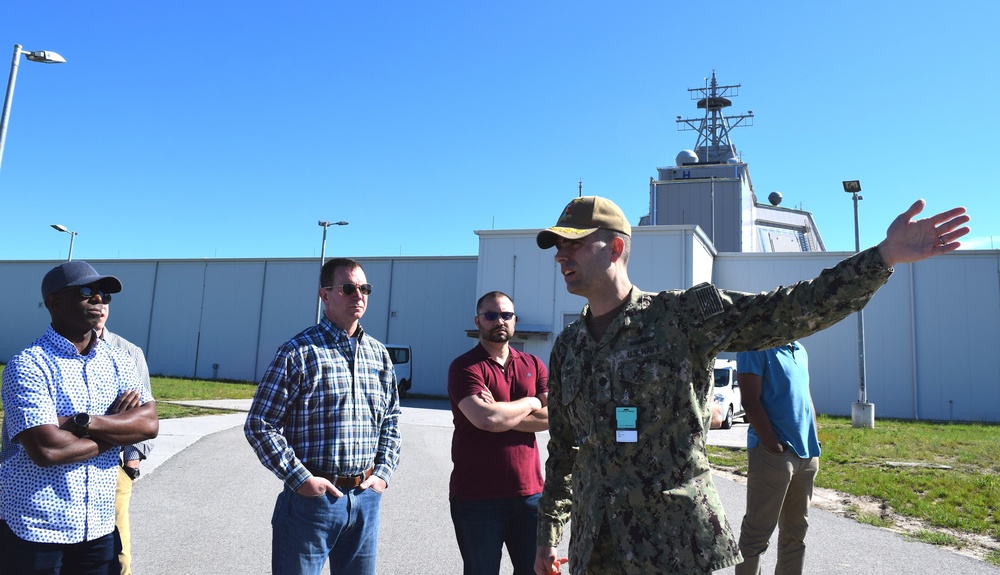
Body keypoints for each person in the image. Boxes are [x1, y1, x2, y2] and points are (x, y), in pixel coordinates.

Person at [531, 196, 970, 575]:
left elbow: (789, 309)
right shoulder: (570, 346)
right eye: (558, 247)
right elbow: (565, 450)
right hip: (595, 547)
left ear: (616, 248)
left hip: (672, 547)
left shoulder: (679, 318)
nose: (561, 256)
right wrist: (548, 537)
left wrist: (882, 258)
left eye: (574, 244)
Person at [245, 257, 402, 575]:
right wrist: (300, 479)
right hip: (311, 503)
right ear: (324, 295)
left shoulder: (378, 354)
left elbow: (391, 419)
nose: (358, 295)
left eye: (364, 288)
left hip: (365, 499)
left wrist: (382, 474)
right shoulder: (298, 352)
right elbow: (260, 423)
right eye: (348, 288)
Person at [0, 260, 159, 574]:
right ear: (54, 301)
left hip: (98, 526)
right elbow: (47, 450)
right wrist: (116, 431)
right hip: (35, 526)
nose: (99, 300)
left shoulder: (119, 360)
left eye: (104, 294)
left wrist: (82, 422)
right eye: (87, 291)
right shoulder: (29, 365)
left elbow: (148, 424)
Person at [448, 291, 549, 575]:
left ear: (515, 320)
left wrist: (500, 415)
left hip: (530, 494)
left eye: (506, 315)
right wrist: (532, 402)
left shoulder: (534, 365)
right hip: (477, 497)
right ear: (477, 321)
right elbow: (487, 419)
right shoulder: (464, 367)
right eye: (491, 315)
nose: (499, 321)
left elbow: (553, 417)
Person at [734, 342, 816, 575]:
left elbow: (806, 397)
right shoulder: (755, 347)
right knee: (756, 535)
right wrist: (773, 444)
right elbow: (750, 400)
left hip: (806, 454)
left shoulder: (800, 349)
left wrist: (814, 439)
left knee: (796, 534)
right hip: (773, 454)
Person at [96, 303, 154, 575]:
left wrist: (130, 466)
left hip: (113, 467)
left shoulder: (128, 353)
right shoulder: (42, 357)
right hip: (59, 466)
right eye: (91, 298)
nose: (100, 306)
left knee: (118, 555)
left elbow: (143, 418)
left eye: (105, 300)